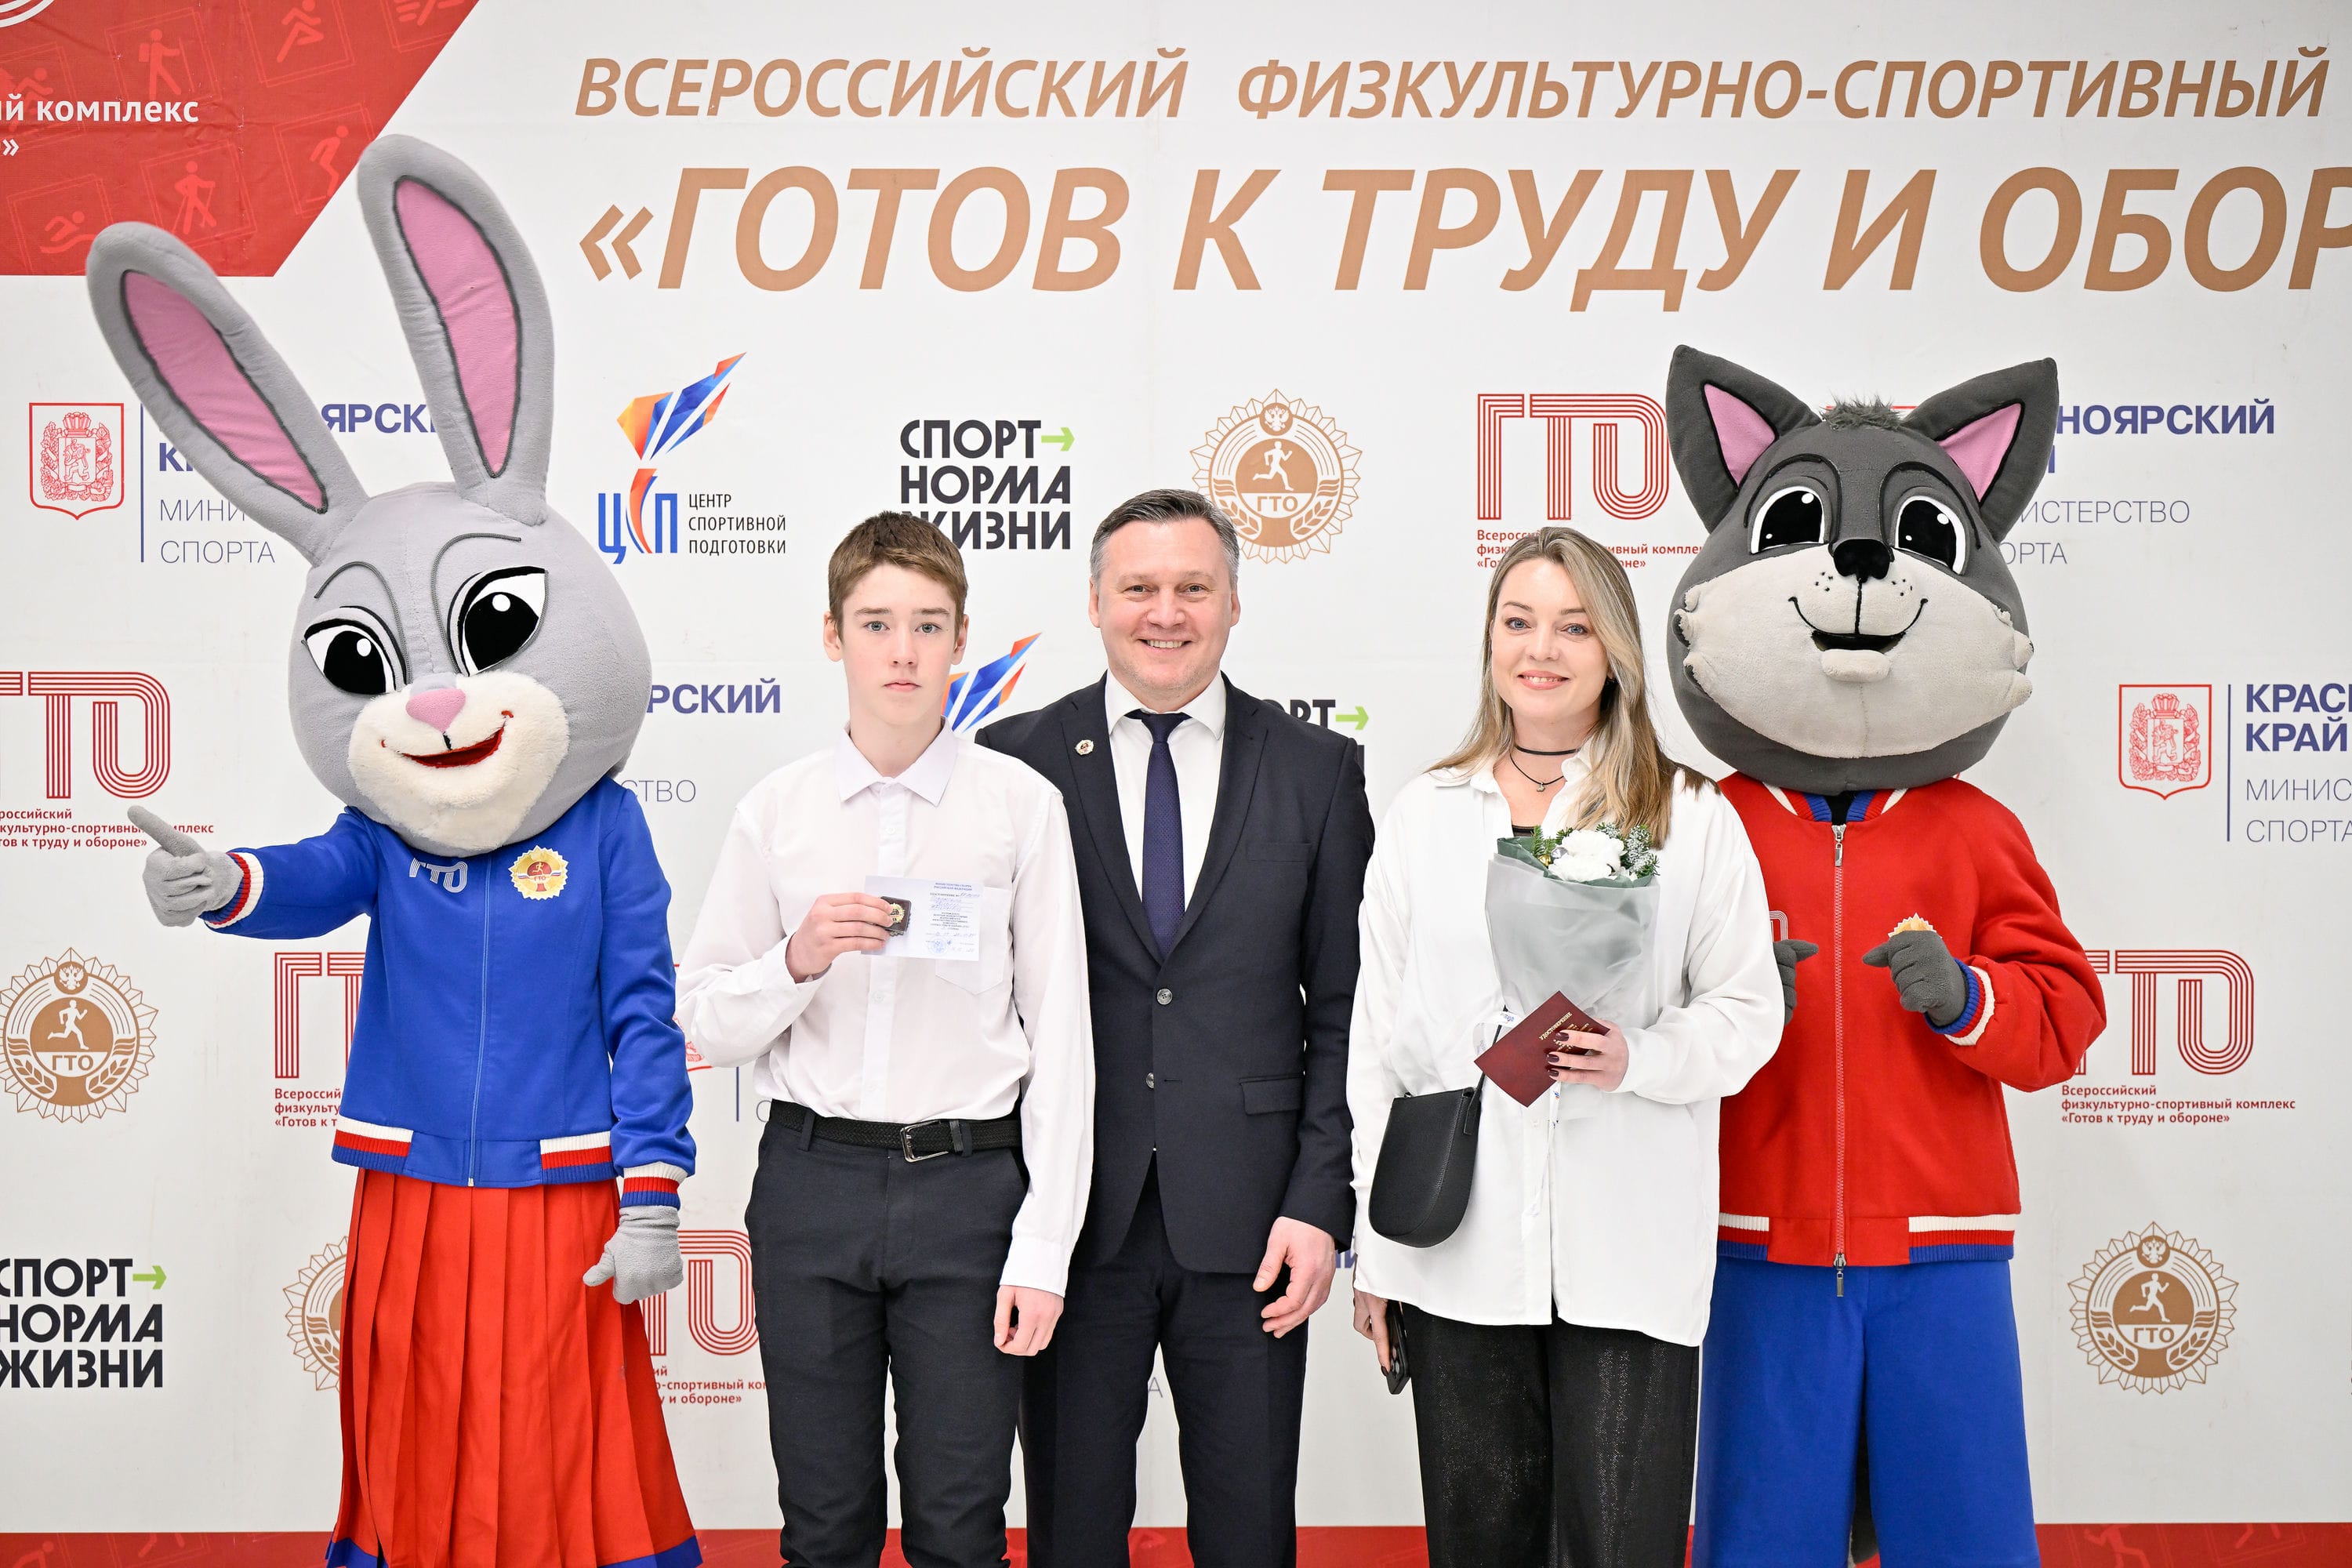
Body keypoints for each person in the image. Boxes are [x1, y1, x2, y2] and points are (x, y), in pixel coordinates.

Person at [1346, 526, 1781, 1568]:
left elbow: (1747, 1011)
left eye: (1575, 627)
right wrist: (1381, 1250)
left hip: (1630, 1250)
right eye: (1519, 621)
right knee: (1479, 1547)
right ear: (1490, 640)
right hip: (1458, 1252)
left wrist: (1642, 1058)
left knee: (1620, 1548)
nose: (1541, 649)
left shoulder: (1688, 816)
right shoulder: (1425, 815)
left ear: (1615, 651)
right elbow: (1380, 1048)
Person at [677, 513, 1095, 1568]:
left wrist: (1043, 1248)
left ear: (962, 639)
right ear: (833, 637)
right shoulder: (778, 812)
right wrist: (798, 958)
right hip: (812, 1185)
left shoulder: (1021, 808)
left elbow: (1063, 1043)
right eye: (875, 624)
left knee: (961, 1527)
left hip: (970, 1192)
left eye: (927, 624)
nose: (903, 651)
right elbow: (707, 1017)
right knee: (824, 1527)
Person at [977, 488, 1373, 1568]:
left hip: (1256, 1227)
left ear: (1234, 602)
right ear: (1094, 603)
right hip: (1070, 1219)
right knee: (1071, 1534)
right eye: (1139, 588)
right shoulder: (1013, 761)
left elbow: (1348, 1012)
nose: (1166, 613)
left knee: (1249, 1537)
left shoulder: (1317, 770)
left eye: (1194, 587)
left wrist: (1319, 1202)